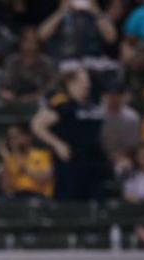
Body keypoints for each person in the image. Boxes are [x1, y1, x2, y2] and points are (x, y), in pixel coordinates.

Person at [31, 68, 105, 200]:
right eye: (82, 80)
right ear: (70, 83)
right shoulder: (62, 103)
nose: (86, 84)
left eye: (87, 80)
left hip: (92, 162)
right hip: (70, 162)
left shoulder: (91, 102)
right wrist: (58, 144)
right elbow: (37, 125)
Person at [37, 0, 118, 74]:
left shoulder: (97, 16)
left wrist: (96, 11)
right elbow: (41, 35)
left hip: (92, 66)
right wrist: (61, 12)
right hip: (63, 63)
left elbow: (111, 38)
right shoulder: (60, 15)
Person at [0, 26, 58, 103]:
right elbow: (5, 84)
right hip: (15, 99)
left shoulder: (46, 63)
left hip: (39, 100)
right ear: (21, 42)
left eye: (33, 40)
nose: (30, 43)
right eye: (26, 40)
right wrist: (6, 93)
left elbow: (52, 86)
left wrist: (36, 96)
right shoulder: (12, 61)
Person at [0, 124, 55, 198]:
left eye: (16, 137)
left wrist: (24, 167)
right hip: (17, 197)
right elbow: (5, 188)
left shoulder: (43, 155)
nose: (13, 141)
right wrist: (6, 160)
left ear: (28, 137)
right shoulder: (10, 159)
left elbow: (45, 179)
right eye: (10, 138)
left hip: (39, 196)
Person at [101, 81, 142, 170]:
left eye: (116, 95)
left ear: (122, 96)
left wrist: (119, 157)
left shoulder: (132, 117)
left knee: (123, 167)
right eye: (110, 95)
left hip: (124, 157)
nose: (113, 98)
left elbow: (133, 146)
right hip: (100, 156)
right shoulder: (97, 116)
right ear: (104, 96)